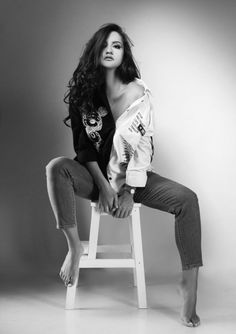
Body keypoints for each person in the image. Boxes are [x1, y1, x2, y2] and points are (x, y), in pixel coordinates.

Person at [45, 23, 203, 327]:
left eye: (116, 45)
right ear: (95, 51)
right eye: (104, 45)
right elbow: (83, 150)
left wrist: (129, 191)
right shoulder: (84, 95)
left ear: (123, 53)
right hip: (96, 179)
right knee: (56, 167)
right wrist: (104, 187)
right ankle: (74, 247)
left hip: (135, 178)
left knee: (188, 200)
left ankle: (190, 286)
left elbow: (144, 146)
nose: (109, 50)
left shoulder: (139, 94)